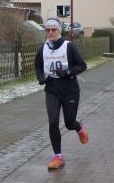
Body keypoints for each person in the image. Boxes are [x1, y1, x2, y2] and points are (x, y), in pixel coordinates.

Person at [34, 19, 90, 171]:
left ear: (59, 30)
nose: (50, 32)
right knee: (53, 122)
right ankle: (58, 156)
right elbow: (38, 66)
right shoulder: (43, 49)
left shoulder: (69, 46)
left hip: (69, 89)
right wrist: (41, 78)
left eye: (53, 29)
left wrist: (67, 72)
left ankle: (79, 128)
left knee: (69, 123)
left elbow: (82, 65)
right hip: (51, 89)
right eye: (48, 30)